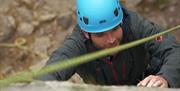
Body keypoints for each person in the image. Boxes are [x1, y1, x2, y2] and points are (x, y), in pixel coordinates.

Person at [37, 0, 180, 88]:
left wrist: (165, 77)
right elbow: (51, 71)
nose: (111, 40)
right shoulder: (77, 45)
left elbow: (173, 50)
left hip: (143, 79)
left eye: (115, 29)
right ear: (87, 34)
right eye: (100, 34)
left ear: (121, 22)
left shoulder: (134, 25)